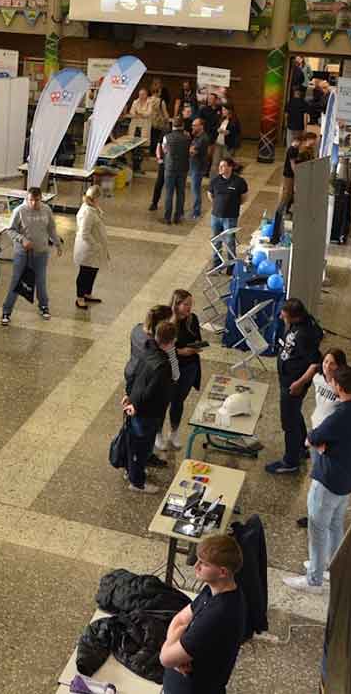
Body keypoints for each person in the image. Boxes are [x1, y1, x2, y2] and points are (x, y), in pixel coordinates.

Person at [284, 365, 351, 593]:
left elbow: (311, 437)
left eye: (333, 383)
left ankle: (314, 578)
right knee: (335, 526)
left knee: (318, 528)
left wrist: (321, 445)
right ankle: (331, 567)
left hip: (327, 481)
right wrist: (323, 445)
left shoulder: (339, 415)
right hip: (347, 479)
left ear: (339, 388)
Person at [160, 533, 247, 693]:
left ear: (222, 572)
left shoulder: (219, 614)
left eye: (204, 564)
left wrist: (173, 651)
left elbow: (165, 658)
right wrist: (176, 652)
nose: (196, 566)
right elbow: (179, 620)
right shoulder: (214, 589)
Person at [267, 298, 324, 475]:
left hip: (293, 383)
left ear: (294, 316)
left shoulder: (305, 334)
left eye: (284, 314)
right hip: (288, 379)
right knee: (294, 413)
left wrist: (299, 384)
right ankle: (300, 447)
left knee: (289, 423)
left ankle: (290, 461)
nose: (281, 316)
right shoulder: (298, 323)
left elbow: (315, 364)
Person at [297, 348, 349, 530]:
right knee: (315, 473)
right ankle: (313, 513)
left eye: (333, 363)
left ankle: (320, 516)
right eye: (326, 362)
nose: (328, 366)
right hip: (315, 431)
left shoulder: (340, 386)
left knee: (322, 476)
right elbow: (313, 370)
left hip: (328, 436)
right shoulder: (318, 378)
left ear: (340, 366)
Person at [122, 318, 176, 493]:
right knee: (142, 447)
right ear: (171, 342)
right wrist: (137, 405)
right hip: (148, 413)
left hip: (136, 406)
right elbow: (152, 392)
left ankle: (131, 472)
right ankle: (137, 482)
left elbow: (134, 375)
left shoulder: (147, 350)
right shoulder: (163, 365)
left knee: (135, 444)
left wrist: (129, 396)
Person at [1, 187, 61, 324]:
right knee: (16, 281)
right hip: (23, 253)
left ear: (41, 199)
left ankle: (44, 306)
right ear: (27, 199)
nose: (34, 203)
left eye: (37, 200)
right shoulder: (19, 211)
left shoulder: (46, 210)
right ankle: (6, 311)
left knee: (41, 280)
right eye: (31, 200)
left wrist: (57, 243)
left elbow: (51, 228)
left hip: (41, 252)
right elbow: (10, 230)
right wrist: (23, 240)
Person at [160, 289, 202, 452]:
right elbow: (161, 346)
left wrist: (196, 348)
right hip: (170, 368)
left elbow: (197, 339)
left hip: (189, 367)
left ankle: (174, 432)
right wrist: (180, 351)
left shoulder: (193, 319)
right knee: (163, 402)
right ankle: (158, 434)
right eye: (186, 305)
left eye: (190, 305)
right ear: (176, 304)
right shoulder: (166, 323)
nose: (189, 308)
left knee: (178, 401)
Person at [73, 185, 109, 310]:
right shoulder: (87, 212)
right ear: (96, 198)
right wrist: (96, 245)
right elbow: (84, 233)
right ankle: (80, 298)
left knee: (93, 271)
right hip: (87, 249)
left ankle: (87, 293)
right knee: (85, 273)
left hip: (94, 250)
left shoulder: (93, 207)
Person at [207, 158, 247, 267]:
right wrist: (218, 205)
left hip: (230, 217)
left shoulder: (239, 182)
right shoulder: (215, 180)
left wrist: (232, 206)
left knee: (230, 242)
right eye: (220, 166)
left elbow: (244, 198)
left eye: (223, 166)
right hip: (215, 217)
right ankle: (216, 264)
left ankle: (231, 267)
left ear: (230, 167)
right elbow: (210, 195)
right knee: (216, 241)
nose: (220, 168)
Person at [159, 118, 191, 225]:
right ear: (183, 125)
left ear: (173, 126)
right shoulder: (187, 138)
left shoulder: (166, 137)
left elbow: (165, 150)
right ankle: (178, 217)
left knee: (169, 193)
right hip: (183, 168)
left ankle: (167, 218)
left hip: (170, 168)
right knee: (181, 193)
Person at [127, 87, 156, 173]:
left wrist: (139, 113)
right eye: (139, 94)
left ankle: (138, 167)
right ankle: (133, 166)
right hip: (135, 127)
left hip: (144, 127)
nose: (140, 96)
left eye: (142, 94)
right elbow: (132, 112)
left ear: (146, 95)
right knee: (133, 147)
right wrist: (140, 114)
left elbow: (149, 113)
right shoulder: (135, 102)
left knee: (142, 148)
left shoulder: (150, 102)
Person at [188, 117, 211, 221]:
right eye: (192, 125)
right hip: (195, 166)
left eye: (195, 125)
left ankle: (196, 212)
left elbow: (192, 151)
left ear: (201, 126)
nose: (192, 127)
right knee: (194, 189)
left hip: (198, 167)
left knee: (195, 190)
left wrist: (189, 148)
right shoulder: (197, 136)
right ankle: (195, 210)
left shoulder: (203, 138)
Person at [211, 104, 241, 173]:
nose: (222, 111)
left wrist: (228, 132)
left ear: (229, 111)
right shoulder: (221, 119)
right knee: (215, 163)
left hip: (227, 145)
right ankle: (214, 180)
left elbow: (237, 133)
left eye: (224, 110)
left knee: (226, 164)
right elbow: (215, 127)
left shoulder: (235, 121)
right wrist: (217, 130)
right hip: (218, 143)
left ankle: (226, 178)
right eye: (222, 110)